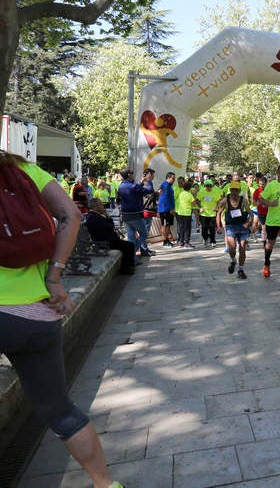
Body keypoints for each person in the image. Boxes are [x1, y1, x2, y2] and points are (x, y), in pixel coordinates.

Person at [0, 151, 123, 488]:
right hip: (36, 314)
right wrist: (54, 277)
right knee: (60, 410)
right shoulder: (22, 169)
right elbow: (70, 214)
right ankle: (105, 484)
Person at [85, 198, 136, 275]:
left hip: (109, 239)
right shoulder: (92, 217)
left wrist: (107, 216)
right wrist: (108, 219)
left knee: (129, 245)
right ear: (95, 206)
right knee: (128, 246)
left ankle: (128, 266)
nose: (103, 206)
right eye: (101, 204)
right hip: (103, 242)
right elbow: (109, 227)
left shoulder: (96, 215)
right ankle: (125, 268)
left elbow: (109, 226)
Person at [117, 168, 154, 262]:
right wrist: (149, 181)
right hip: (135, 215)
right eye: (132, 172)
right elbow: (149, 190)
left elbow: (135, 190)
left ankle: (132, 257)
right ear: (129, 174)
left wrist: (141, 181)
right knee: (144, 233)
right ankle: (130, 252)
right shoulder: (132, 186)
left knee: (131, 236)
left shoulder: (121, 186)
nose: (133, 174)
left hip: (125, 215)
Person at [216, 181, 251, 279]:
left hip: (242, 226)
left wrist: (248, 223)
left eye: (236, 190)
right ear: (230, 190)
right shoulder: (225, 200)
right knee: (232, 248)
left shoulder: (243, 200)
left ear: (239, 190)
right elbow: (218, 213)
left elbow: (250, 213)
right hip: (231, 226)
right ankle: (233, 261)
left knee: (242, 248)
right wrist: (218, 226)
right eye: (232, 189)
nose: (234, 192)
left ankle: (241, 269)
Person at [157, 172, 176, 247]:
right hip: (165, 209)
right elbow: (165, 198)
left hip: (169, 209)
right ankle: (165, 241)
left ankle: (167, 240)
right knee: (164, 225)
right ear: (168, 177)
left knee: (168, 225)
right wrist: (171, 208)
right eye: (173, 178)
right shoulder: (165, 185)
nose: (174, 180)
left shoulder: (169, 186)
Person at [174, 181, 196, 247]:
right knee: (187, 228)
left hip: (180, 212)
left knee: (181, 227)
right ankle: (187, 242)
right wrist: (194, 195)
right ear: (189, 188)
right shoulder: (189, 195)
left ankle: (181, 241)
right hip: (187, 213)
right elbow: (194, 204)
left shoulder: (181, 194)